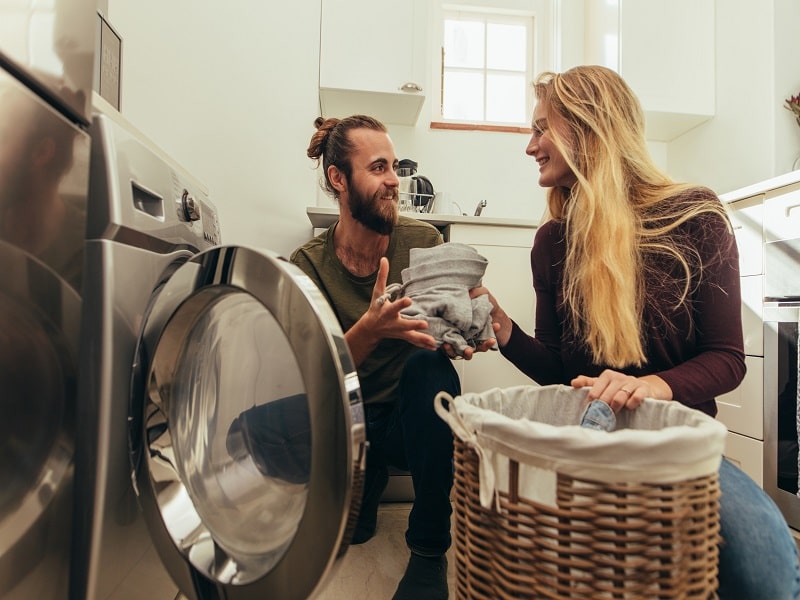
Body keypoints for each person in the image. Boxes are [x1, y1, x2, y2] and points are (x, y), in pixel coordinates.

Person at [475, 65, 800, 599]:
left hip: (678, 441)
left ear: (587, 128)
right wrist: (504, 329)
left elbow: (726, 358)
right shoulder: (552, 243)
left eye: (541, 128)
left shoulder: (696, 216)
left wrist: (651, 387)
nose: (530, 146)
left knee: (764, 565)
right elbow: (560, 369)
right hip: (588, 438)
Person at [290, 114, 493, 600]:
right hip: (350, 428)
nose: (393, 180)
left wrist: (463, 329)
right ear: (339, 179)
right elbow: (314, 378)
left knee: (430, 368)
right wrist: (371, 330)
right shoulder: (309, 264)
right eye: (378, 167)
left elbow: (457, 315)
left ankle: (429, 548)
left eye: (394, 167)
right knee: (250, 430)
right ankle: (366, 476)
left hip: (409, 426)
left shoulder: (424, 244)